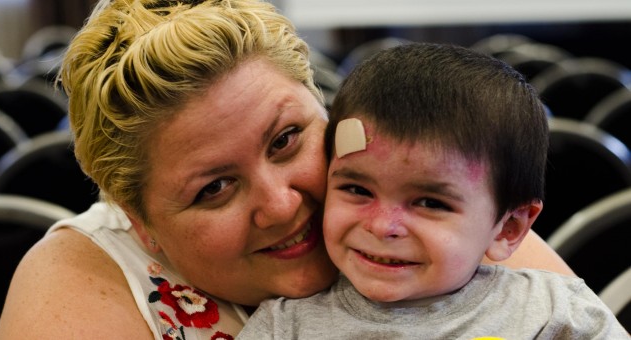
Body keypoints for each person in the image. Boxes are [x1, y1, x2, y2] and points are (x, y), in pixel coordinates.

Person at [0, 1, 573, 339]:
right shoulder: (74, 285)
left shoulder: (419, 213)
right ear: (138, 221)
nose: (283, 204)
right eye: (214, 188)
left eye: (287, 140)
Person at [237, 43, 628, 339]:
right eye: (357, 189)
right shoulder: (283, 327)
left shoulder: (555, 312)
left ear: (508, 229)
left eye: (429, 202)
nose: (383, 226)